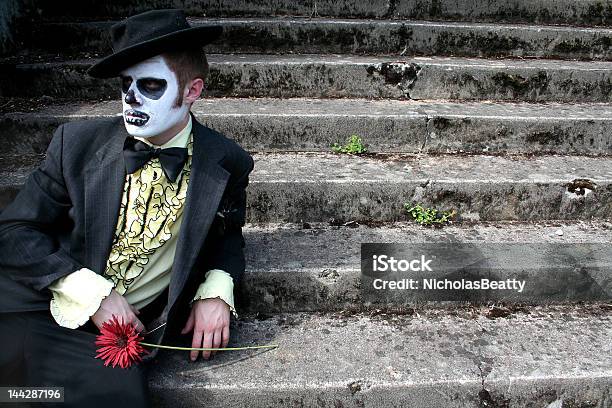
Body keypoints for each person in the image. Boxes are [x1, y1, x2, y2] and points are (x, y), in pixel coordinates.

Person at [0, 9, 254, 407]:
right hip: (33, 300)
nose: (131, 97)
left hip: (103, 345)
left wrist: (217, 290)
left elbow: (228, 234)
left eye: (151, 85)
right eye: (126, 84)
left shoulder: (226, 161)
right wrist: (93, 294)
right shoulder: (76, 144)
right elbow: (13, 231)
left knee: (120, 396)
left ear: (192, 91)